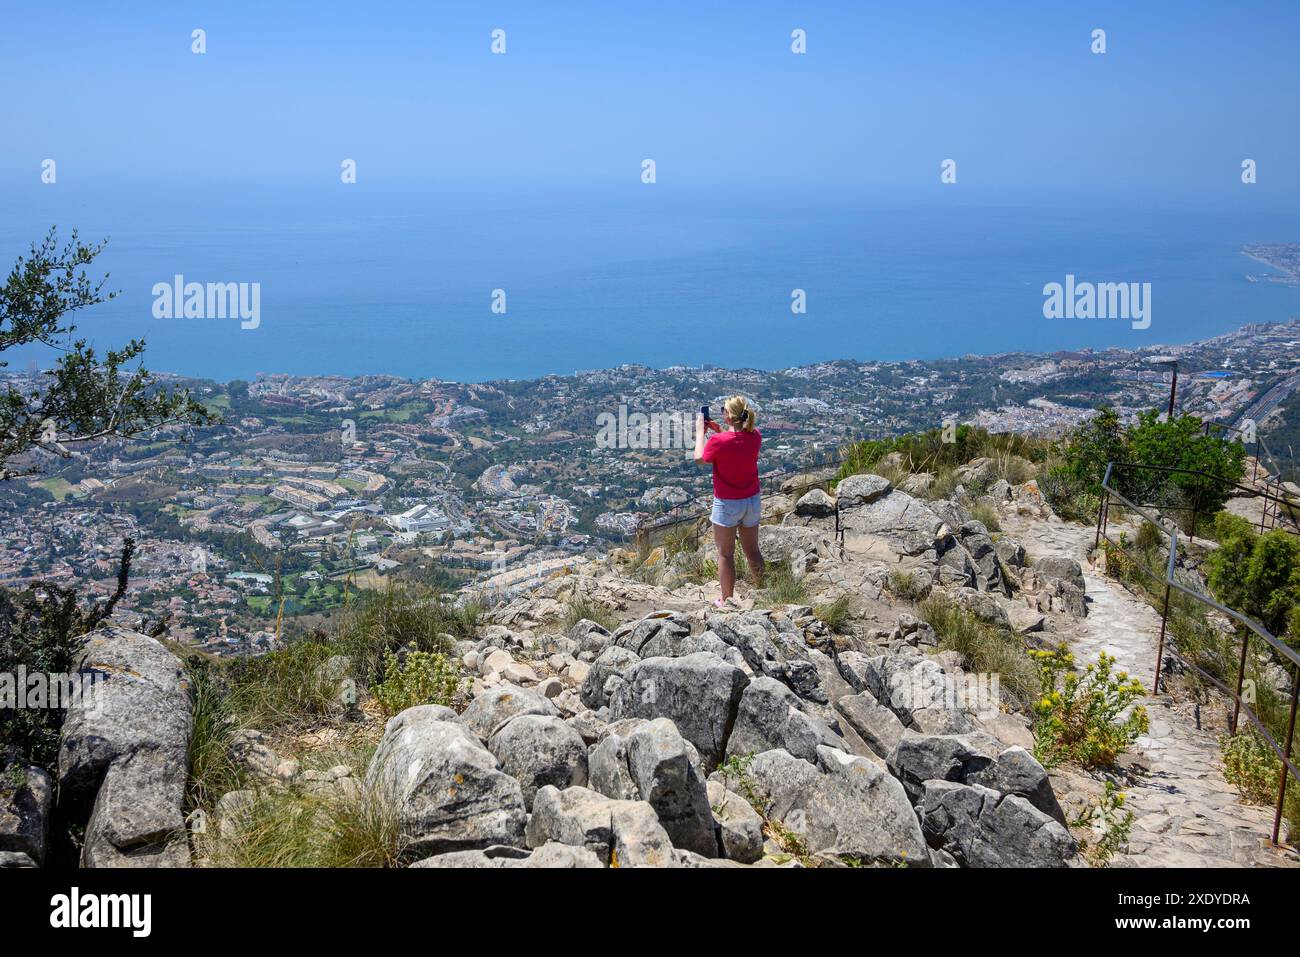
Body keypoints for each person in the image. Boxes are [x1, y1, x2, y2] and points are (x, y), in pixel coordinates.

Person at [695, 394, 765, 607]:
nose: (722, 412)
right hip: (751, 500)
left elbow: (699, 458)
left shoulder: (718, 441)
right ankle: (764, 592)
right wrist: (718, 431)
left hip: (727, 504)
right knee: (752, 551)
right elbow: (735, 444)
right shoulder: (756, 436)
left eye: (724, 409)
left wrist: (700, 431)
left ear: (729, 415)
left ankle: (726, 600)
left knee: (725, 554)